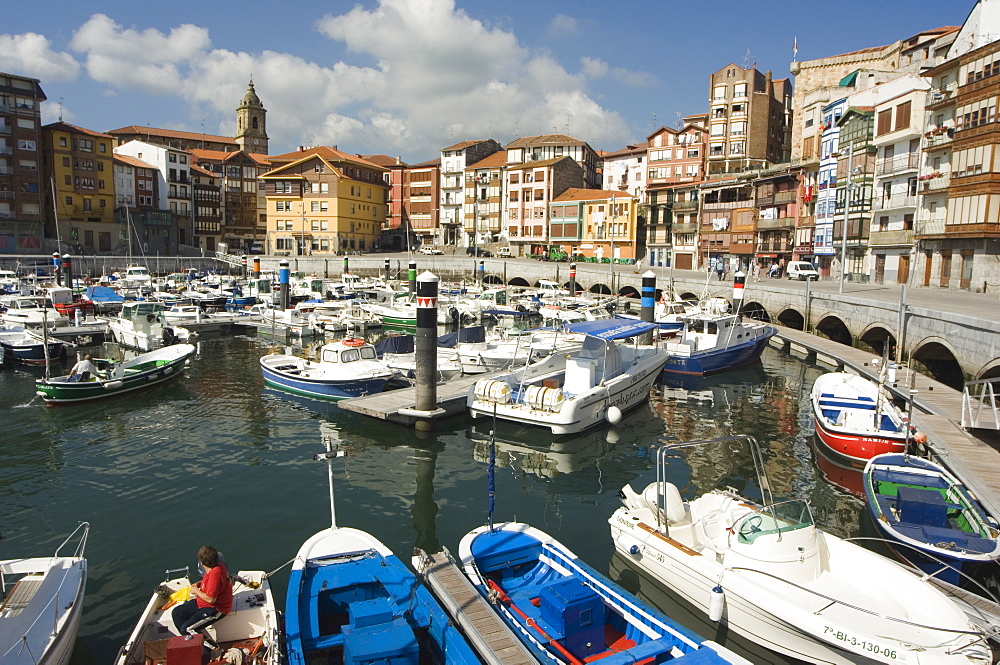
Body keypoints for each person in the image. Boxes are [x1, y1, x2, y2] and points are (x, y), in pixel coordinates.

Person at [172, 546, 233, 641]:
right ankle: (193, 644)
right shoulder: (218, 568)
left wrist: (196, 591)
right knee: (177, 613)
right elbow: (214, 584)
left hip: (216, 609)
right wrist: (200, 584)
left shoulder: (215, 574)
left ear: (201, 562)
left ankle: (213, 650)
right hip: (202, 604)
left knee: (187, 629)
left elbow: (211, 599)